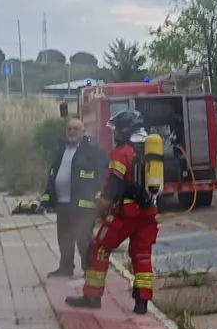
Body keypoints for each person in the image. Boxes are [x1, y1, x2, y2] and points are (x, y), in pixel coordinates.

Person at [67, 108, 160, 313]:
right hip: (148, 213)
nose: (115, 132)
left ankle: (92, 296)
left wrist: (103, 202)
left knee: (99, 249)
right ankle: (142, 303)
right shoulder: (150, 150)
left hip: (125, 214)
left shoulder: (122, 151)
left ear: (126, 130)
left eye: (117, 129)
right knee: (142, 254)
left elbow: (114, 181)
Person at [44, 117, 108, 278]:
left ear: (83, 132)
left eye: (75, 129)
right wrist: (47, 197)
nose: (72, 132)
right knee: (64, 237)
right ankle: (65, 267)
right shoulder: (61, 151)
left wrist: (99, 197)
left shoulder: (93, 152)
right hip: (63, 203)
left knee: (83, 238)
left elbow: (102, 175)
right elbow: (53, 175)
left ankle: (89, 269)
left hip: (83, 205)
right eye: (69, 129)